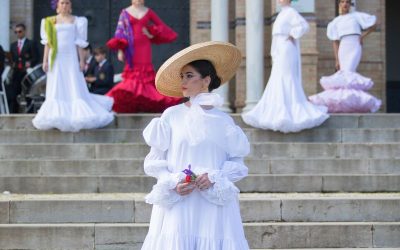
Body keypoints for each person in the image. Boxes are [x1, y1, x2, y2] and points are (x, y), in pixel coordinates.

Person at [141, 41, 250, 249]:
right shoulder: (171, 116)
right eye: (182, 76)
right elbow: (154, 160)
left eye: (189, 76)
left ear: (206, 80)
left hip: (214, 206)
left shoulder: (224, 121)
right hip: (179, 202)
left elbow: (238, 162)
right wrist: (173, 181)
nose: (183, 81)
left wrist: (215, 177)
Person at [242, 0, 329, 133]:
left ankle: (290, 109)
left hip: (287, 49)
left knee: (286, 77)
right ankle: (278, 109)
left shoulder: (291, 12)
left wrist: (292, 34)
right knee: (278, 77)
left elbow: (304, 26)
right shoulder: (282, 14)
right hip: (280, 48)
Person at [32, 0, 114, 132]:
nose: (64, 5)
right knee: (57, 84)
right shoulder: (49, 21)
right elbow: (47, 43)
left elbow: (79, 43)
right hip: (56, 57)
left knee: (73, 83)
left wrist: (81, 61)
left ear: (70, 6)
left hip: (70, 57)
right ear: (57, 6)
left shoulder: (78, 21)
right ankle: (55, 114)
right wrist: (45, 60)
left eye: (67, 3)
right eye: (62, 3)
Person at [106, 0, 181, 113]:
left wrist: (151, 33)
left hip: (145, 46)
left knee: (146, 75)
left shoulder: (148, 11)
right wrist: (121, 50)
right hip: (131, 49)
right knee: (132, 75)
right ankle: (133, 102)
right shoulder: (125, 12)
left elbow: (161, 26)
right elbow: (120, 32)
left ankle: (146, 101)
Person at [309, 0, 381, 113]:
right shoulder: (335, 22)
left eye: (347, 2)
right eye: (342, 2)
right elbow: (335, 42)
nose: (345, 4)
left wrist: (362, 36)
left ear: (349, 5)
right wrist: (337, 60)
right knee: (343, 75)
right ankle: (344, 104)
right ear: (339, 4)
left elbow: (374, 25)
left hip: (355, 46)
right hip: (343, 47)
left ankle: (350, 103)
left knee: (349, 73)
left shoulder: (357, 16)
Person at [7, 23, 39, 113]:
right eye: (16, 32)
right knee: (14, 93)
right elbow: (12, 58)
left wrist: (30, 63)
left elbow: (36, 57)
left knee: (28, 93)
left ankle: (30, 113)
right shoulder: (13, 45)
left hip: (27, 73)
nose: (18, 34)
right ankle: (13, 113)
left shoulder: (31, 43)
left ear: (24, 31)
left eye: (20, 31)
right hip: (17, 72)